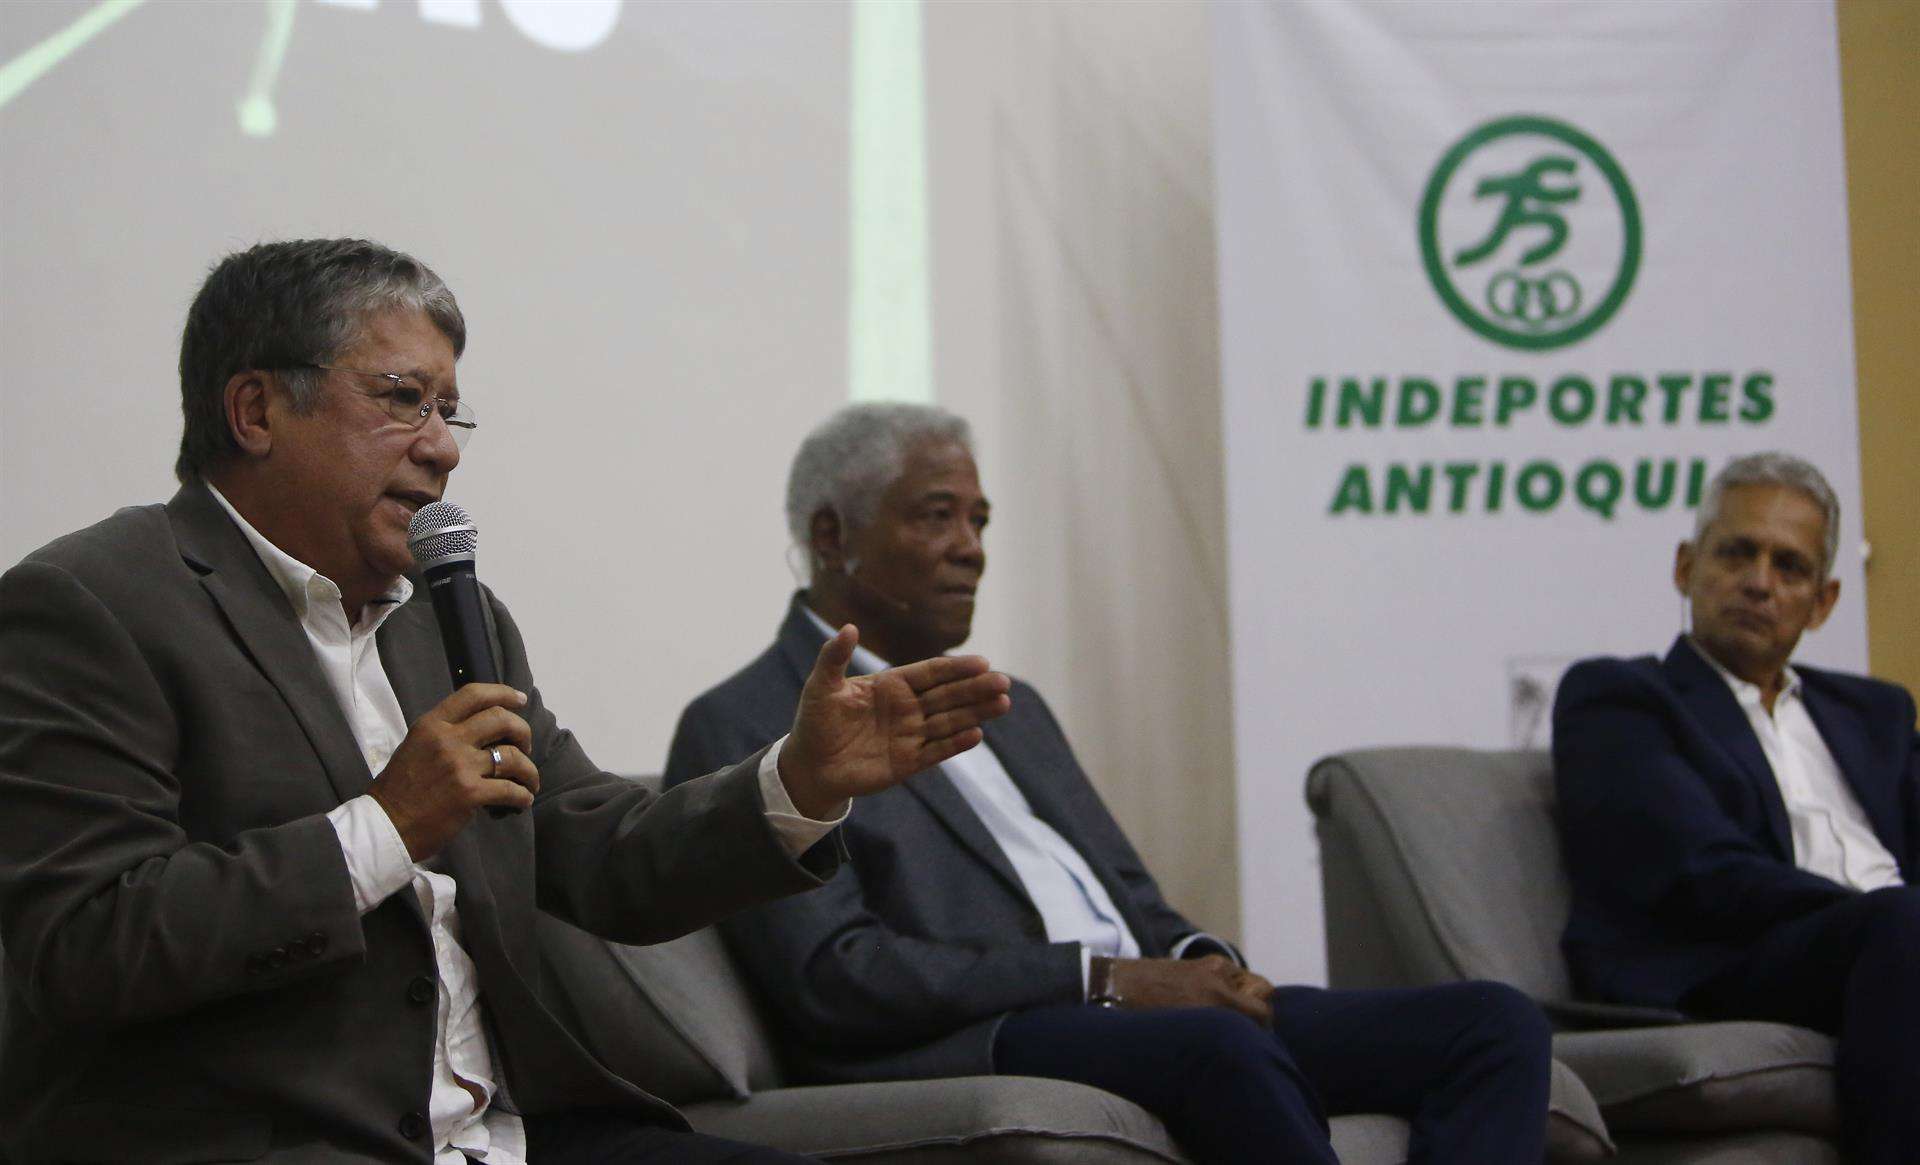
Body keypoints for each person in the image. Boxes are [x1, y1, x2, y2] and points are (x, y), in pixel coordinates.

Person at [0, 240, 1010, 1165]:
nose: (442, 449)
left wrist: (795, 785)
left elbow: (603, 854)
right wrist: (383, 827)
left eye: (450, 411)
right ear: (257, 411)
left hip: (513, 1137)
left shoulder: (448, 618)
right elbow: (82, 944)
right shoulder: (94, 605)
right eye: (403, 400)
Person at [665, 403, 1553, 1165]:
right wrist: (1102, 981)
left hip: (1139, 1007)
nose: (971, 549)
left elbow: (1133, 898)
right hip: (977, 1034)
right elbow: (837, 975)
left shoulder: (1015, 707)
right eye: (938, 516)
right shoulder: (746, 721)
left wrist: (1201, 959)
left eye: (981, 520)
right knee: (1212, 1045)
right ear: (833, 536)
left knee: (1493, 1025)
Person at [1554, 451, 1920, 1165]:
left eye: (1789, 566)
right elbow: (1701, 870)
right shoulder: (1622, 699)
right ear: (1686, 567)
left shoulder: (1875, 712)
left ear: (1823, 602)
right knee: (1905, 925)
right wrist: (1877, 914)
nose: (1759, 582)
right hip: (1734, 955)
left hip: (1894, 940)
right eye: (1737, 552)